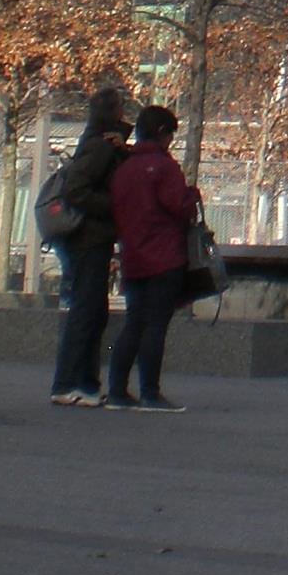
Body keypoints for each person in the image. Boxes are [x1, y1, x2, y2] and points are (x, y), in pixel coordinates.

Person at [105, 106, 197, 412]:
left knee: (134, 322)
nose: (171, 141)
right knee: (156, 326)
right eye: (170, 134)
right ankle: (150, 392)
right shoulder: (164, 167)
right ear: (162, 133)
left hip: (133, 257)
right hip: (164, 256)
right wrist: (193, 196)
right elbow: (178, 206)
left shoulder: (124, 169)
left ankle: (117, 390)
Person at [48, 91, 130, 406]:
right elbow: (76, 189)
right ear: (114, 112)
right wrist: (114, 207)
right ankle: (67, 384)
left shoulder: (101, 143)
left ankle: (86, 383)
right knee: (86, 311)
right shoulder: (100, 147)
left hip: (90, 238)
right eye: (122, 108)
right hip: (89, 238)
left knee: (93, 311)